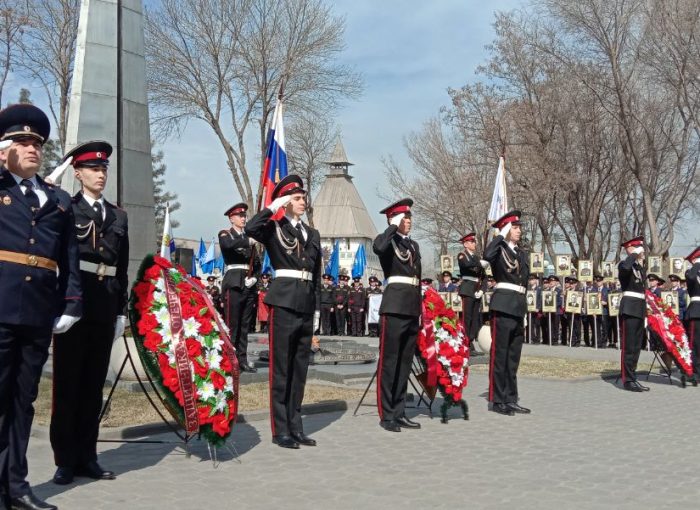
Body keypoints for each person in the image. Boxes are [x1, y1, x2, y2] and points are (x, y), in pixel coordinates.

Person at [0, 104, 82, 510]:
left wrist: (71, 304)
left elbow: (67, 258)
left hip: (36, 314)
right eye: (22, 141)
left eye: (36, 142)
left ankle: (15, 486)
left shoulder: (59, 201)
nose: (32, 148)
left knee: (22, 401)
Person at [48, 141, 128, 487]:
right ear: (77, 173)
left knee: (94, 386)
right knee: (68, 386)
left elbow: (121, 267)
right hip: (73, 303)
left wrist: (121, 311)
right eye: (93, 169)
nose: (100, 174)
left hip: (105, 304)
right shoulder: (66, 208)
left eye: (104, 168)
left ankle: (88, 456)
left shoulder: (119, 215)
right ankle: (65, 460)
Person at [245, 174, 321, 449]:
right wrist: (272, 205)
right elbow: (251, 229)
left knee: (300, 370)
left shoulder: (312, 234)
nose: (302, 202)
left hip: (305, 302)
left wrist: (317, 312)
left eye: (303, 198)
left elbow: (317, 274)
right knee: (281, 370)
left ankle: (296, 426)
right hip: (284, 302)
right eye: (297, 198)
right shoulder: (274, 227)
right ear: (287, 201)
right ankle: (281, 431)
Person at [373, 198, 422, 432]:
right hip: (393, 306)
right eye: (404, 217)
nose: (409, 221)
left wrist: (420, 310)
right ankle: (387, 414)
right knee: (390, 362)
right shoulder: (387, 242)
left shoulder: (413, 246)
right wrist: (391, 227)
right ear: (394, 219)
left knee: (404, 363)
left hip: (411, 307)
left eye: (410, 217)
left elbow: (418, 279)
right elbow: (378, 248)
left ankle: (400, 411)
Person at [483, 210, 531, 416]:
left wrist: (525, 310)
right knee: (499, 354)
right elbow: (486, 256)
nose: (519, 230)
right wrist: (500, 235)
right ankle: (497, 399)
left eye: (519, 227)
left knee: (513, 357)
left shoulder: (520, 252)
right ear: (505, 228)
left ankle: (511, 397)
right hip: (502, 305)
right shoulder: (498, 249)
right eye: (515, 227)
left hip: (518, 306)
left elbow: (524, 281)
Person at [219, 202, 258, 373]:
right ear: (231, 218)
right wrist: (247, 240)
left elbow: (257, 263)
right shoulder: (225, 234)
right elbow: (228, 245)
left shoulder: (250, 239)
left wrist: (255, 278)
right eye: (240, 216)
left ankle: (242, 360)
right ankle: (229, 360)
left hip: (248, 284)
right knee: (232, 324)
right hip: (234, 282)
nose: (243, 218)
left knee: (245, 325)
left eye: (244, 216)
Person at [618, 236, 649, 392]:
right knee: (629, 346)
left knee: (636, 346)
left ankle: (633, 377)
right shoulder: (625, 264)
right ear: (631, 248)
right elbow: (624, 269)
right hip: (629, 308)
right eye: (639, 248)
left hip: (639, 309)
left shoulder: (638, 268)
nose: (642, 251)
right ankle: (627, 379)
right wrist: (633, 254)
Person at [457, 232, 486, 346]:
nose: (474, 244)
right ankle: (465, 343)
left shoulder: (476, 257)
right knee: (466, 317)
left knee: (475, 318)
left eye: (474, 242)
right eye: (471, 242)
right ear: (465, 244)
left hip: (476, 289)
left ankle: (471, 341)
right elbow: (466, 265)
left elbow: (484, 277)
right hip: (467, 288)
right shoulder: (462, 255)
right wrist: (480, 263)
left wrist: (482, 290)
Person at [684, 247, 699, 385]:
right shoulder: (690, 272)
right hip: (695, 311)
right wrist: (696, 264)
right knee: (694, 344)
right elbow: (692, 277)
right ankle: (693, 372)